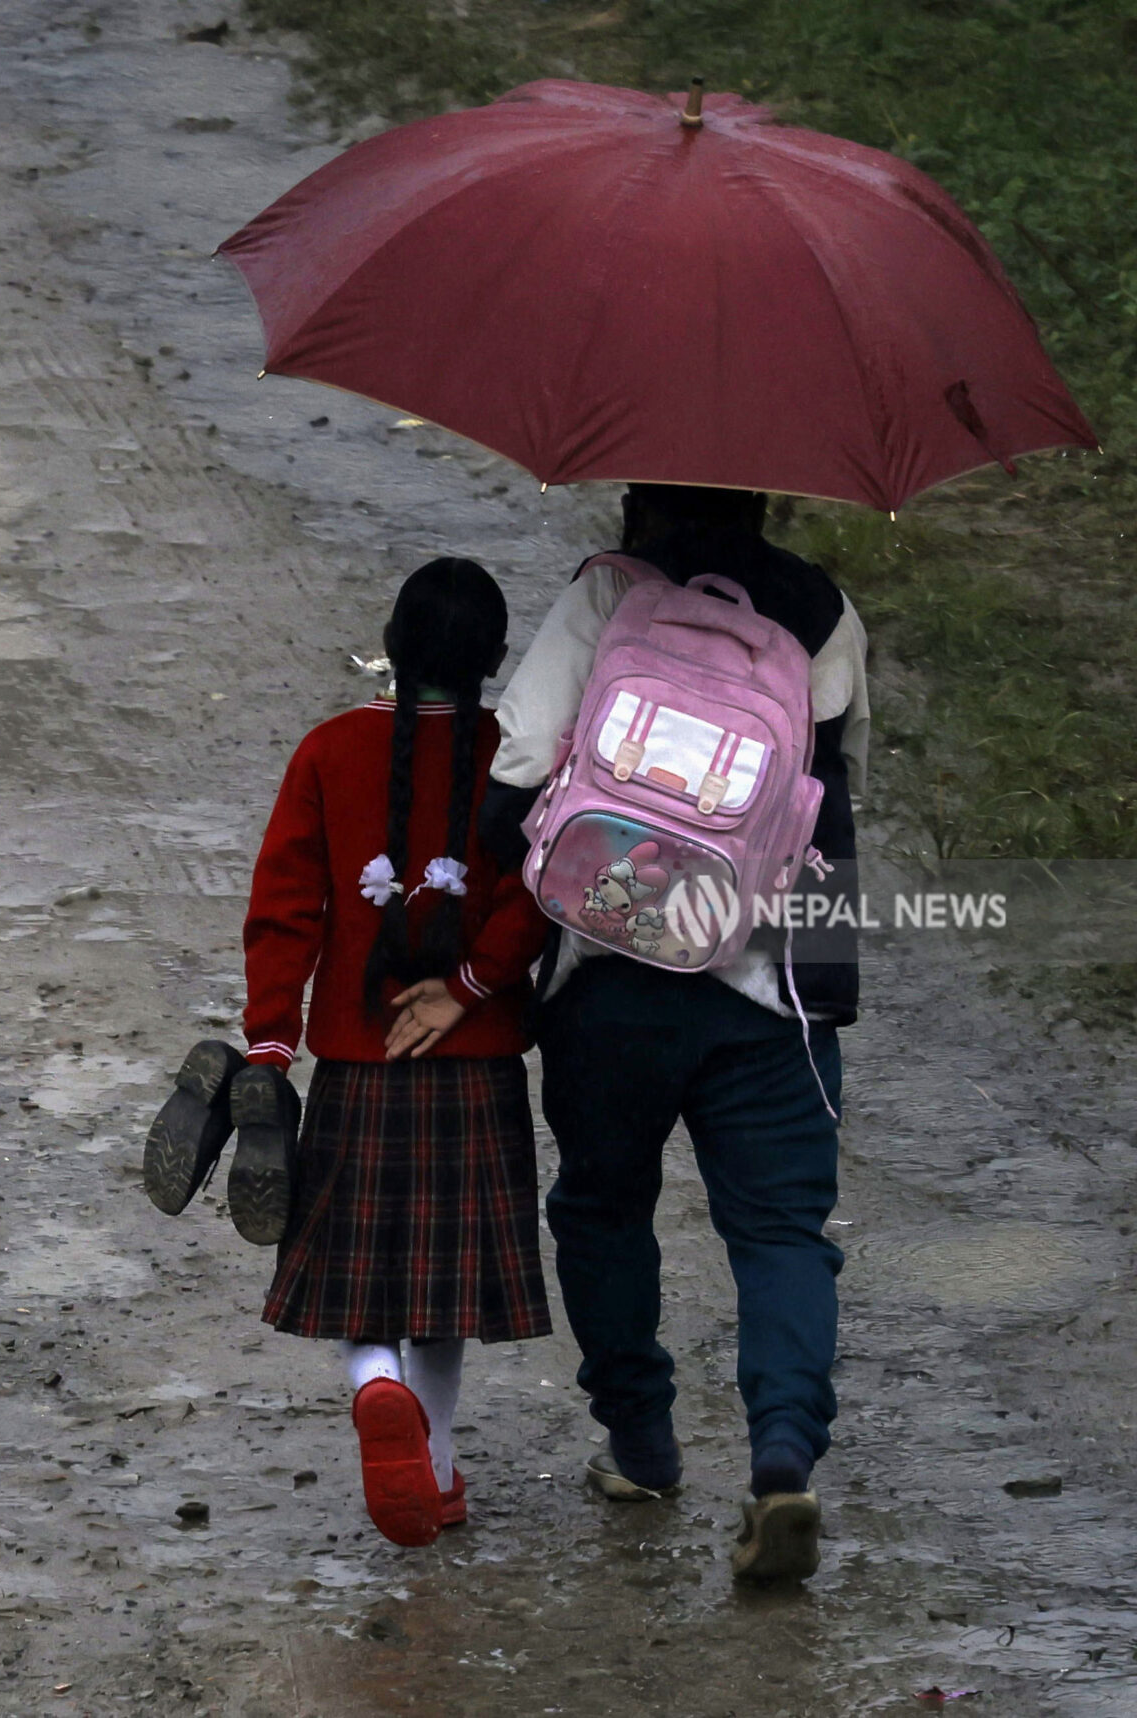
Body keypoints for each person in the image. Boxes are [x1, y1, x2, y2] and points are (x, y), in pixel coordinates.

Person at [479, 483, 870, 1584]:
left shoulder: (612, 588)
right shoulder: (823, 613)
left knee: (603, 1202)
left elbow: (515, 768)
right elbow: (829, 800)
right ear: (764, 494)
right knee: (784, 1231)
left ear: (637, 488)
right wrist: (826, 990)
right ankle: (782, 1458)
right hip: (766, 989)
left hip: (612, 972)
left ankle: (643, 1447)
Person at [235, 557, 553, 1548]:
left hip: (357, 1060)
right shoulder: (522, 755)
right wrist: (467, 986)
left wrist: (271, 1040)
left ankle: (376, 1384)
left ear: (393, 642)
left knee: (351, 1272)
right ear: (496, 658)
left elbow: (285, 907)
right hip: (477, 1058)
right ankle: (442, 1463)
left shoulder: (328, 750)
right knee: (444, 1288)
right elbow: (544, 893)